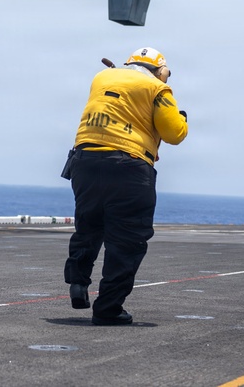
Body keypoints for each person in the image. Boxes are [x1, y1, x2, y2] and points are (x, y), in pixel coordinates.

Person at [64, 47, 187, 325]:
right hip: (128, 167)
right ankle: (108, 307)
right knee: (128, 239)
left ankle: (78, 283)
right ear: (159, 71)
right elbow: (174, 133)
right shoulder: (157, 88)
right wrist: (177, 108)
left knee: (89, 224)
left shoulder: (101, 78)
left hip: (84, 161)